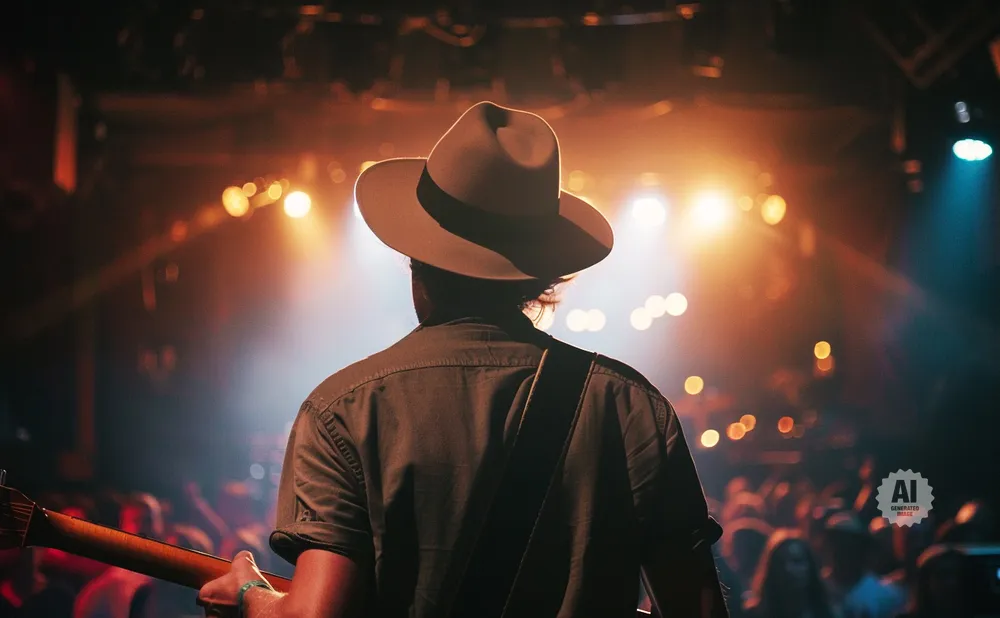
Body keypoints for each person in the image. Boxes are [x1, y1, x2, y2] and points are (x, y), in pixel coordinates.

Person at [198, 101, 729, 617]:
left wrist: (250, 598)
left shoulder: (344, 411)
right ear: (541, 275)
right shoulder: (630, 406)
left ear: (417, 259)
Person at [74, 494, 165, 618]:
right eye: (136, 521)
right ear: (123, 527)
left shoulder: (158, 573)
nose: (144, 528)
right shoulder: (119, 582)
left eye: (148, 520)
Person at [743, 530, 835, 618]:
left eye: (797, 561)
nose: (788, 569)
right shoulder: (754, 614)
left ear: (810, 565)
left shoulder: (825, 612)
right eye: (781, 563)